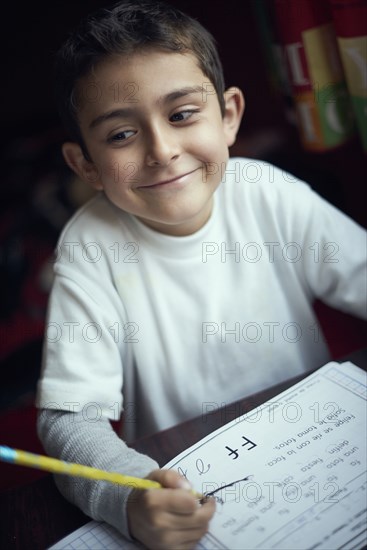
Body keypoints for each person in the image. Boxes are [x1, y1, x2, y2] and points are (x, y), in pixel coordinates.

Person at [36, 1, 366, 548]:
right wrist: (131, 494)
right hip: (180, 488)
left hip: (317, 457)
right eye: (120, 135)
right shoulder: (89, 247)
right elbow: (68, 422)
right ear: (86, 166)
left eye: (182, 114)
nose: (162, 151)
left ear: (230, 115)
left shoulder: (270, 192)